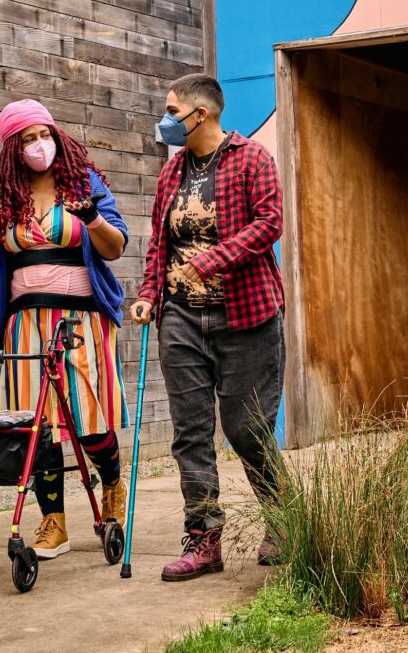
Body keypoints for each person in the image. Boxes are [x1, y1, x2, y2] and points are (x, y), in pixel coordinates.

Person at [130, 74, 286, 581]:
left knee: (247, 430)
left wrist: (214, 259)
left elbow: (269, 223)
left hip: (246, 317)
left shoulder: (252, 159)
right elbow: (159, 241)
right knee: (190, 434)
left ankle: (284, 520)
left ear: (202, 114)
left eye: (173, 109)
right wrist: (149, 294)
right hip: (181, 319)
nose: (166, 118)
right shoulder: (172, 171)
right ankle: (203, 541)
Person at [0, 99, 130, 559]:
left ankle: (112, 483)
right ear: (12, 149)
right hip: (25, 324)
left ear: (57, 136)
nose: (39, 146)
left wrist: (92, 216)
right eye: (27, 140)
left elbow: (115, 247)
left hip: (81, 321)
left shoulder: (83, 182)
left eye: (45, 135)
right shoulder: (0, 195)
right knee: (33, 426)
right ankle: (52, 522)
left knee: (87, 417)